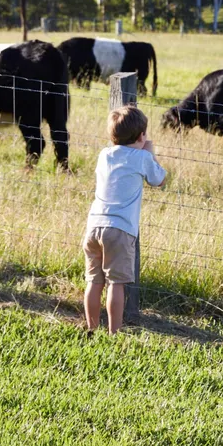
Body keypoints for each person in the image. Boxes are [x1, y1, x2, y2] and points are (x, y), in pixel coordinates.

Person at [83, 104, 166, 334]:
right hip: (120, 230)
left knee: (94, 281)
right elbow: (159, 180)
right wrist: (150, 153)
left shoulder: (104, 155)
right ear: (141, 136)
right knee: (116, 283)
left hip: (94, 226)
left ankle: (91, 327)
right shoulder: (141, 157)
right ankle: (113, 332)